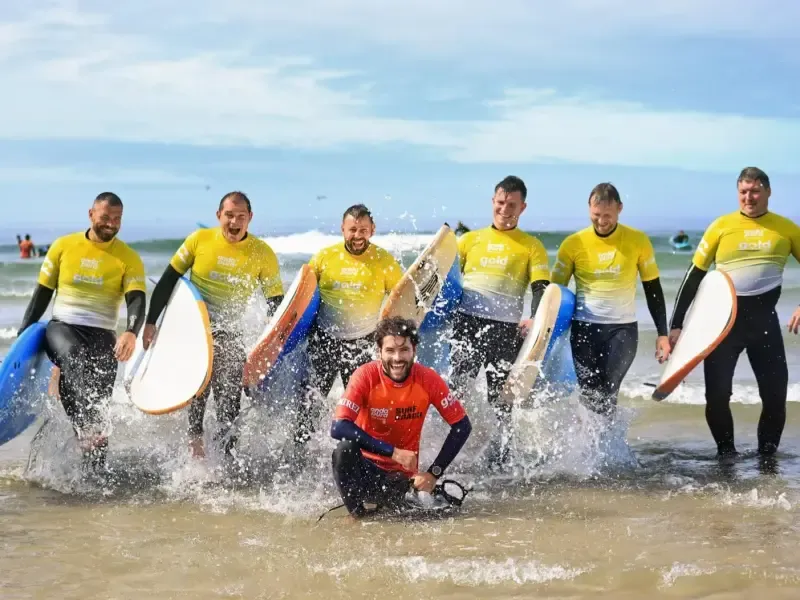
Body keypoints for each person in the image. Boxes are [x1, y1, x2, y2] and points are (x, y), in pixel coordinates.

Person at [669, 167, 800, 458]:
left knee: (776, 398)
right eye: (743, 192)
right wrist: (675, 326)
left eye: (754, 191)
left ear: (768, 191)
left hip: (764, 324)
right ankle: (726, 456)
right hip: (722, 326)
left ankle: (767, 459)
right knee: (716, 397)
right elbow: (693, 276)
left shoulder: (786, 229)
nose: (748, 198)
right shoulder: (721, 226)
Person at [144, 191, 284, 458]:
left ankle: (228, 453)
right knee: (199, 388)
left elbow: (275, 302)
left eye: (241, 216)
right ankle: (196, 445)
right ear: (219, 215)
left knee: (229, 393)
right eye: (229, 215)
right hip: (195, 328)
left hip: (229, 331)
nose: (234, 222)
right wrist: (151, 322)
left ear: (250, 218)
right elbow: (168, 280)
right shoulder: (200, 240)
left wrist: (272, 337)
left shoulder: (262, 253)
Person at [17, 193, 146, 468]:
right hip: (63, 326)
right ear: (90, 214)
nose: (111, 224)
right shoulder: (64, 246)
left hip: (102, 333)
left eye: (116, 219)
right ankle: (83, 429)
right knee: (73, 356)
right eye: (105, 218)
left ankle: (95, 477)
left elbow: (136, 299)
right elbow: (41, 295)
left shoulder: (128, 257)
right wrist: (21, 341)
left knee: (100, 402)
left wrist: (131, 331)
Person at [448, 175, 550, 470]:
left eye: (512, 205)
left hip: (504, 330)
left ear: (523, 207)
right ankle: (453, 447)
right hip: (466, 324)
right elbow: (448, 283)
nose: (505, 209)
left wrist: (534, 318)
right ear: (493, 201)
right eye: (501, 202)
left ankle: (502, 457)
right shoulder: (468, 240)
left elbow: (540, 288)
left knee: (501, 400)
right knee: (458, 390)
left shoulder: (531, 246)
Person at [330, 316, 472, 517]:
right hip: (364, 473)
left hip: (401, 479)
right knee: (343, 450)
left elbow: (462, 426)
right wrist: (393, 452)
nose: (397, 358)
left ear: (414, 350)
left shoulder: (428, 379)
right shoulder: (365, 376)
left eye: (404, 350)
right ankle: (357, 516)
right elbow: (338, 427)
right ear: (379, 352)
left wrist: (433, 473)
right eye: (390, 351)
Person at [551, 183, 671, 416]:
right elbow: (555, 292)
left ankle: (607, 446)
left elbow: (653, 289)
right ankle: (591, 448)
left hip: (622, 329)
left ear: (620, 209)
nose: (602, 221)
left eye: (608, 215)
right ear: (589, 209)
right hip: (584, 328)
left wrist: (663, 334)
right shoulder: (573, 244)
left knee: (608, 388)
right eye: (596, 215)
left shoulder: (637, 241)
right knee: (589, 392)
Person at [293, 204, 404, 447]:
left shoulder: (384, 262)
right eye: (352, 229)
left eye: (363, 229)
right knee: (309, 404)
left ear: (372, 230)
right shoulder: (324, 257)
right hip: (324, 340)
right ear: (342, 229)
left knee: (365, 409)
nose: (357, 235)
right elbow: (303, 299)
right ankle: (299, 458)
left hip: (363, 343)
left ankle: (363, 458)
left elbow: (402, 302)